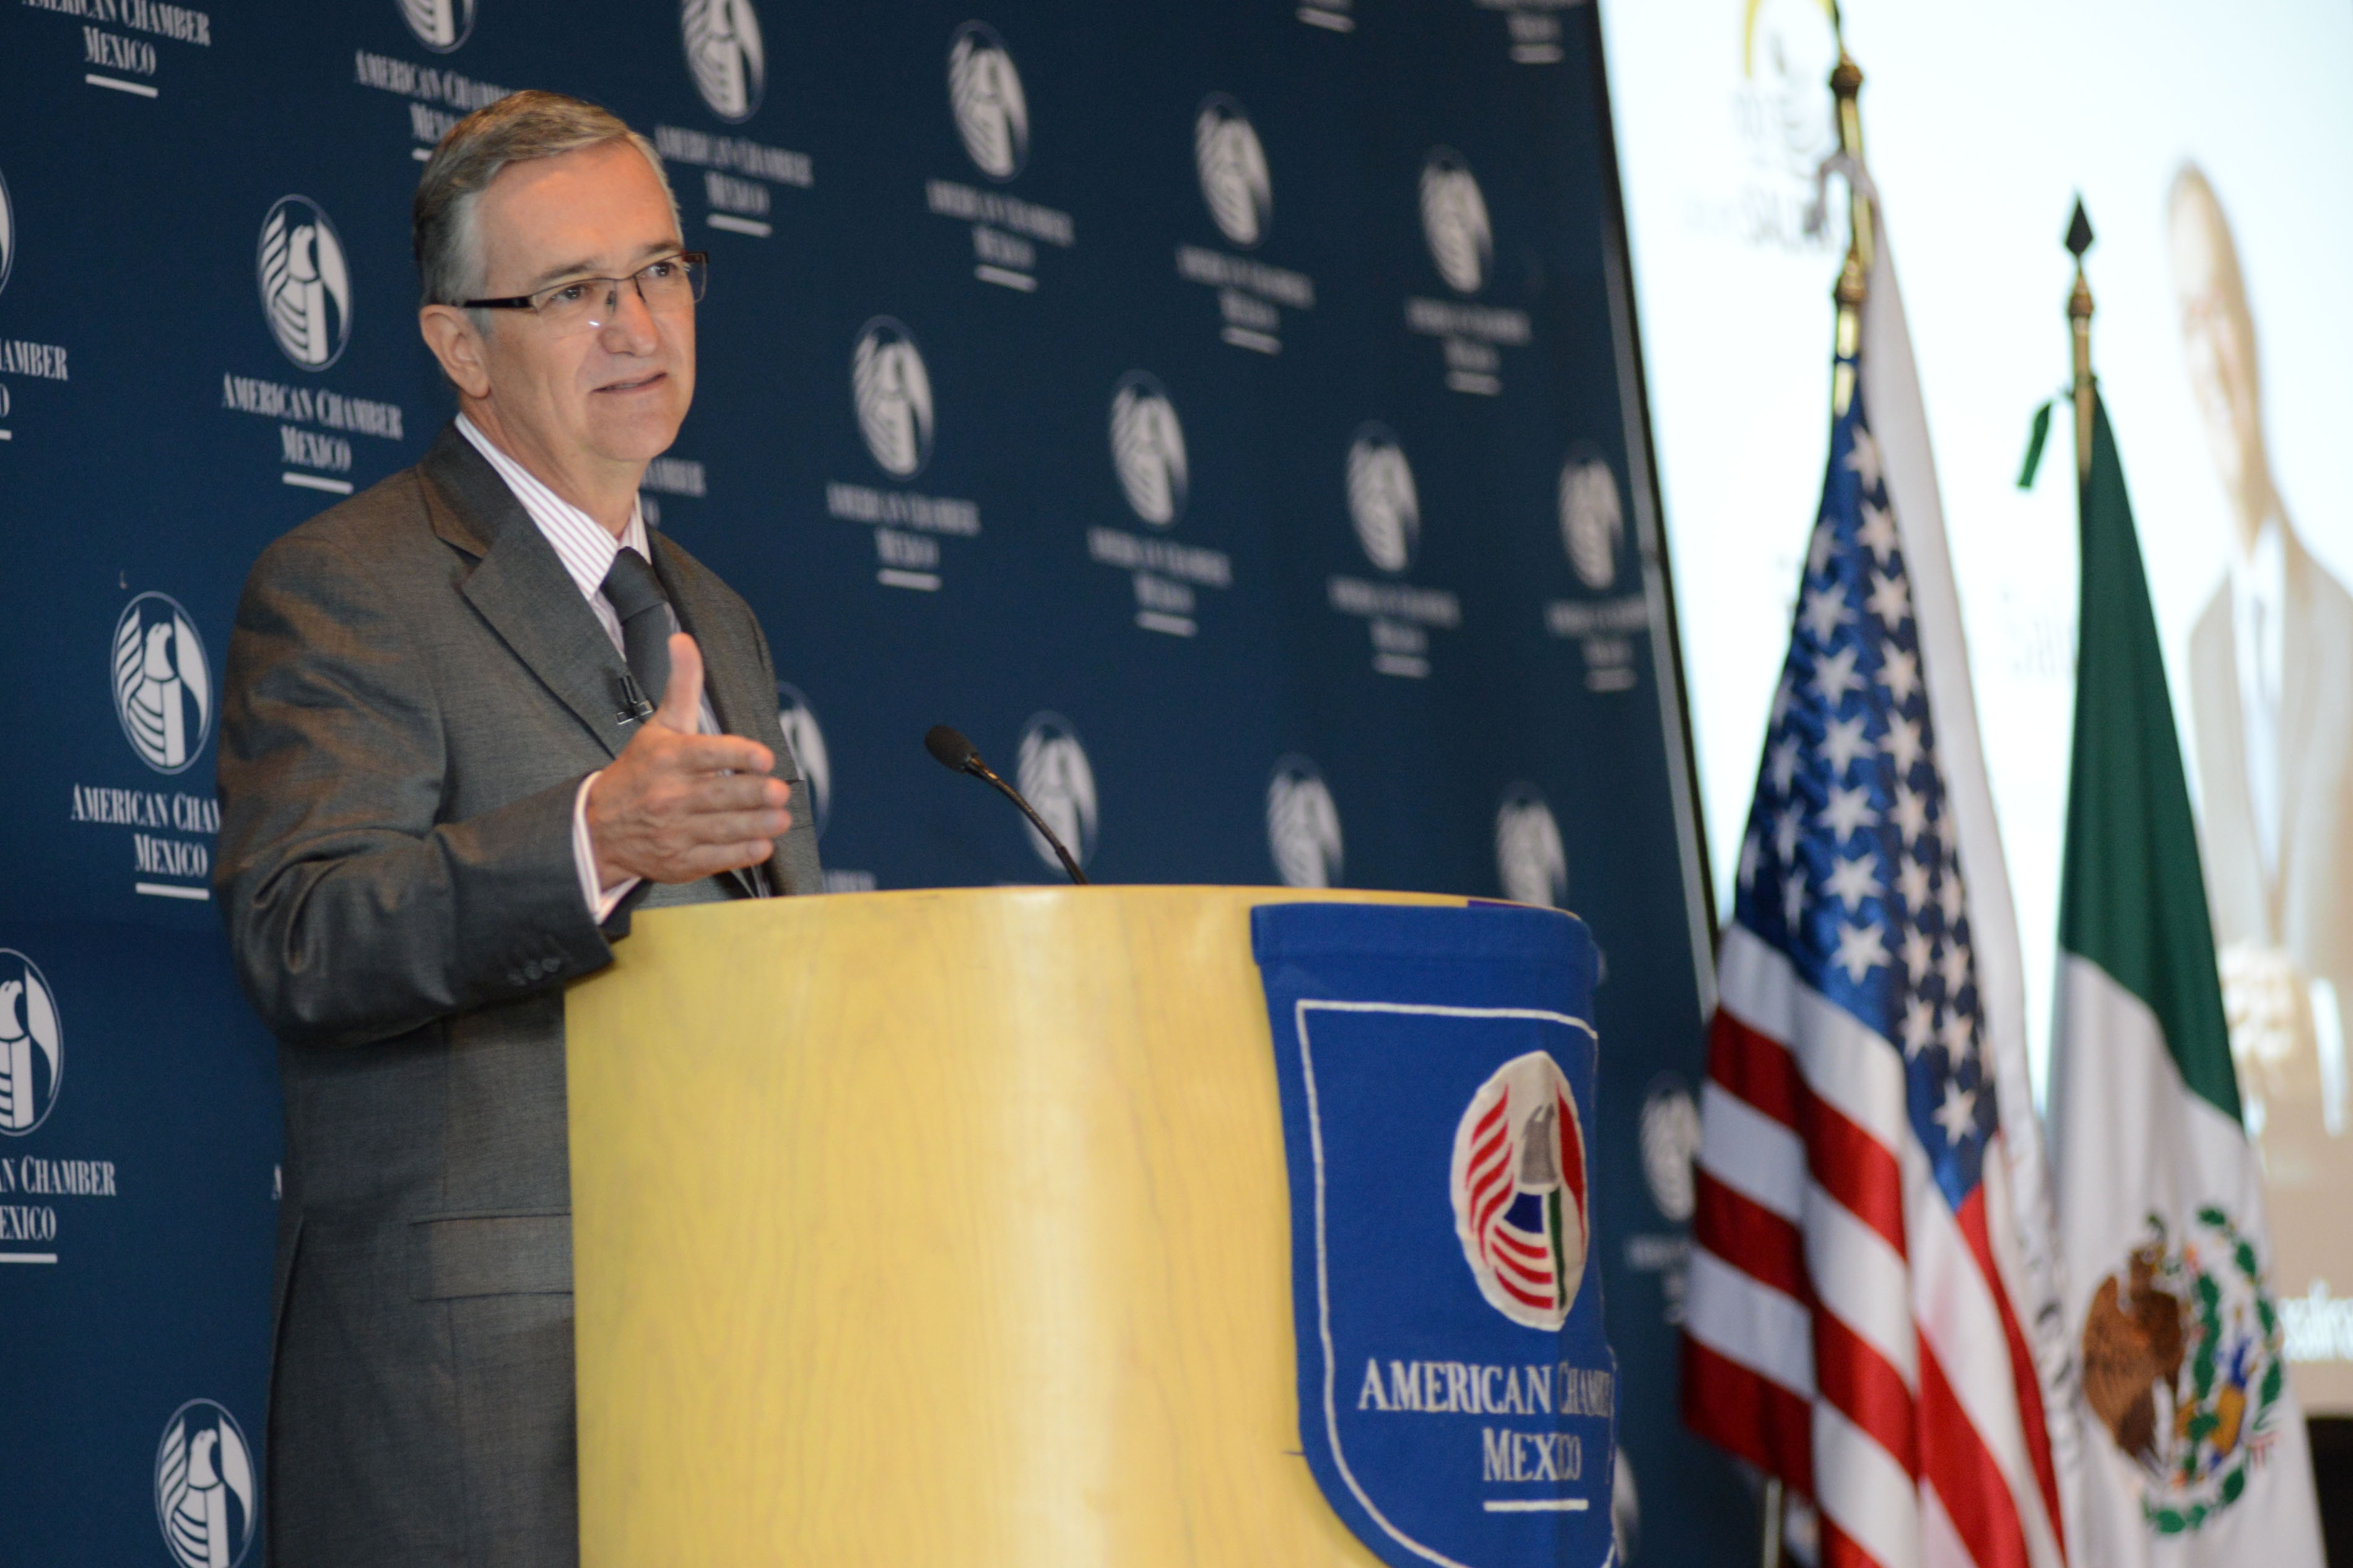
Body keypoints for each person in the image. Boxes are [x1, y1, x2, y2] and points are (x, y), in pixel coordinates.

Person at [214, 91, 822, 1566]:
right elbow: (305, 934)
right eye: (572, 291)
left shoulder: (713, 612)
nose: (637, 325)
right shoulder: (349, 581)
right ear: (460, 346)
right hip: (479, 1402)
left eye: (660, 270)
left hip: (736, 1354)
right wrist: (596, 839)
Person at [2170, 162, 2353, 1413]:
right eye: (2186, 323)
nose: (2213, 357)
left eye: (2222, 309)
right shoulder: (2187, 653)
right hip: (2241, 1269)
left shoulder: (2346, 623)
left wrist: (2323, 1040)